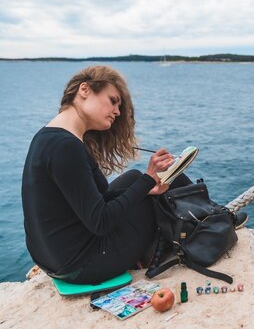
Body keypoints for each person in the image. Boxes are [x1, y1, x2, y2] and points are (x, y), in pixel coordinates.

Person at [22, 66, 184, 284]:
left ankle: (204, 215)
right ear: (85, 89)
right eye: (113, 100)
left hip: (54, 260)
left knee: (135, 178)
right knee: (161, 187)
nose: (117, 111)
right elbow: (101, 221)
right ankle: (212, 222)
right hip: (84, 265)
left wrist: (146, 184)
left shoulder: (48, 136)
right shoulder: (66, 147)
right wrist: (149, 179)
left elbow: (93, 202)